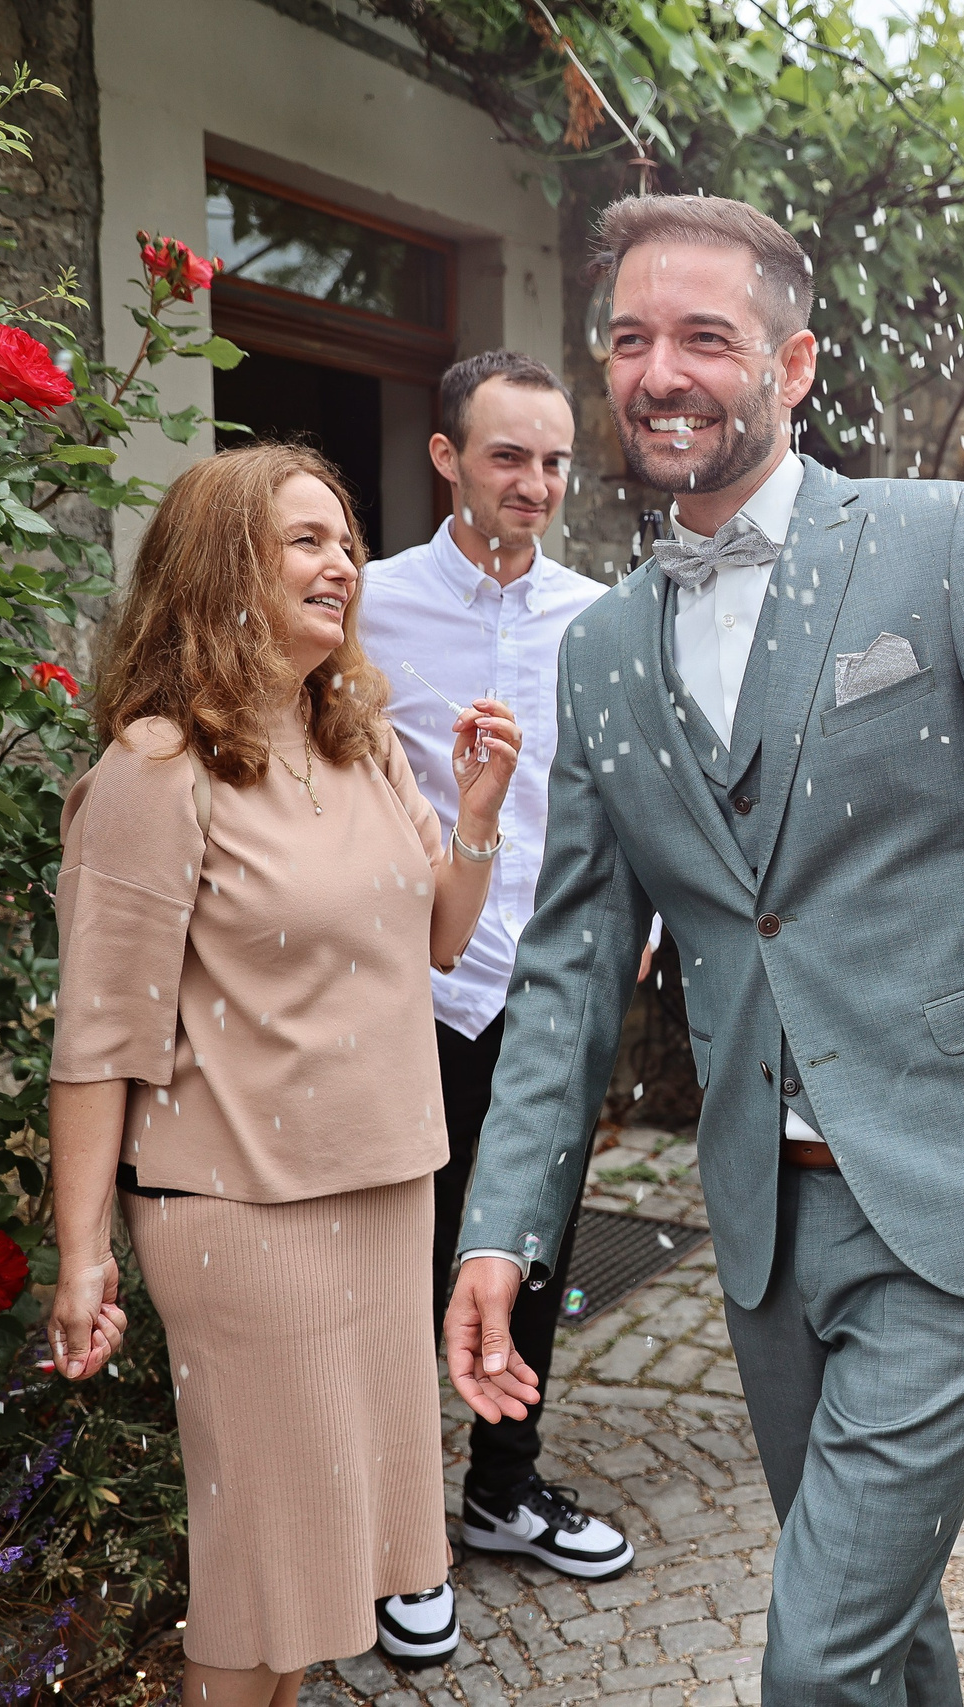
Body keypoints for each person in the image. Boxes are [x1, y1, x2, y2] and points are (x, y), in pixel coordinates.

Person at [437, 193, 964, 1705]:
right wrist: (505, 1227)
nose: (661, 373)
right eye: (630, 339)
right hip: (763, 1213)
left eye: (706, 336)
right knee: (885, 1618)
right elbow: (568, 969)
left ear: (794, 363)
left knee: (816, 1655)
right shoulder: (601, 648)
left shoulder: (944, 544)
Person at [45, 444, 522, 1696]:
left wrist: (476, 815)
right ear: (222, 571)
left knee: (316, 1586)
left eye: (346, 541)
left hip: (385, 1191)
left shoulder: (356, 740)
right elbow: (98, 1038)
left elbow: (440, 935)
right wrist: (83, 1253)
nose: (343, 564)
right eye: (306, 540)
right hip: (242, 1213)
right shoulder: (156, 771)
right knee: (263, 1578)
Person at [360, 351, 634, 1583]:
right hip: (407, 992)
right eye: (508, 456)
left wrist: (634, 943)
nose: (534, 483)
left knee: (534, 1248)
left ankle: (502, 1489)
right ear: (446, 458)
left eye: (554, 461)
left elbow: (626, 800)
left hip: (549, 989)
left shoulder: (601, 619)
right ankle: (393, 1527)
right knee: (400, 1260)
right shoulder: (366, 606)